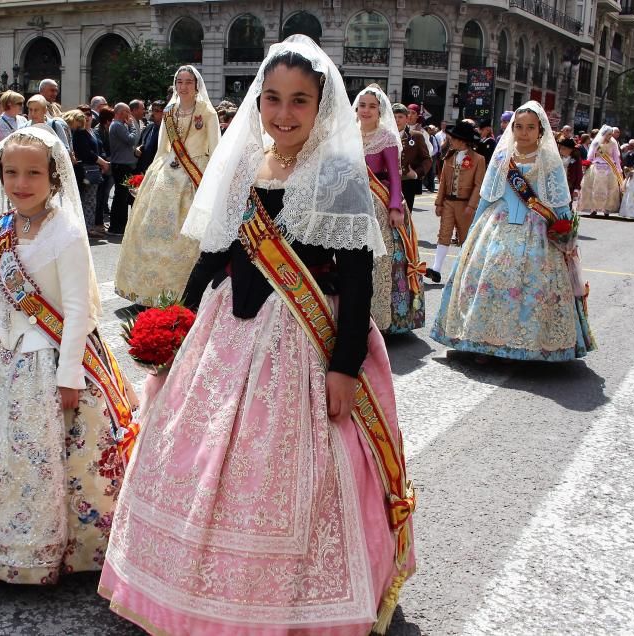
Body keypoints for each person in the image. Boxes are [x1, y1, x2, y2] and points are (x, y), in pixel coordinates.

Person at [100, 35, 415, 635]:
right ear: (257, 102)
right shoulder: (245, 164)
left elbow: (356, 281)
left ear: (322, 105)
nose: (283, 114)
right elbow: (213, 254)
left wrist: (345, 366)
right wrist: (177, 326)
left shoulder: (340, 175)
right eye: (272, 99)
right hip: (228, 329)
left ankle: (290, 600)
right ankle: (181, 585)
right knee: (195, 453)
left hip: (301, 339)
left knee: (296, 474)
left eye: (299, 100)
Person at [0, 126, 130, 584]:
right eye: (11, 173)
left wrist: (68, 376)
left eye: (33, 174)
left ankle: (55, 544)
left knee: (48, 458)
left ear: (55, 177)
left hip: (50, 356)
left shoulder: (65, 233)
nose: (21, 183)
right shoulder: (3, 226)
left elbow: (79, 308)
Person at [430, 102, 596, 362]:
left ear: (540, 130)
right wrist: (472, 231)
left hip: (537, 228)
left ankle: (529, 343)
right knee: (488, 283)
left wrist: (566, 235)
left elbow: (559, 201)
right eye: (519, 126)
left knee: (531, 286)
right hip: (496, 224)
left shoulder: (549, 160)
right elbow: (486, 197)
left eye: (530, 127)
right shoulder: (501, 156)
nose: (524, 132)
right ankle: (481, 342)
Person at [114, 66, 220, 306]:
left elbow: (215, 149)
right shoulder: (170, 112)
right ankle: (147, 289)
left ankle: (184, 290)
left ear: (196, 85)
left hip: (195, 175)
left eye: (188, 82)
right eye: (179, 82)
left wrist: (213, 182)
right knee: (149, 229)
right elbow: (162, 148)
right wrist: (150, 175)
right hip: (167, 173)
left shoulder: (207, 112)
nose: (183, 87)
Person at [355, 83, 425, 333]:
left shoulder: (386, 137)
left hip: (379, 204)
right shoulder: (348, 134)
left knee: (382, 261)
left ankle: (382, 318)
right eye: (362, 105)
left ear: (380, 110)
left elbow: (395, 177)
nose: (366, 110)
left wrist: (395, 207)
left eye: (372, 106)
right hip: (353, 204)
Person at [428, 120, 486, 283]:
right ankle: (436, 269)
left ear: (462, 140)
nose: (451, 140)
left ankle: (466, 270)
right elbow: (443, 182)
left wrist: (472, 205)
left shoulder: (478, 159)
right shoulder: (449, 157)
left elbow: (478, 184)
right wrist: (439, 203)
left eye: (454, 138)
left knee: (464, 237)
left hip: (465, 203)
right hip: (448, 202)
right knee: (444, 233)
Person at [65, 108, 109, 237]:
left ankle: (89, 227)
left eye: (89, 114)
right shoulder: (79, 132)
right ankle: (86, 228)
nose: (87, 117)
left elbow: (98, 148)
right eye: (84, 115)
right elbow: (86, 153)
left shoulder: (89, 131)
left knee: (90, 200)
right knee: (87, 200)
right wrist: (102, 162)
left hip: (92, 169)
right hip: (85, 170)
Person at [578, 124, 623, 217]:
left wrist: (619, 169)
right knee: (593, 188)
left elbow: (616, 157)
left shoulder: (613, 143)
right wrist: (586, 165)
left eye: (611, 134)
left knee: (610, 189)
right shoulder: (596, 143)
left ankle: (607, 209)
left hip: (609, 167)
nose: (610, 136)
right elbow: (590, 156)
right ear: (604, 133)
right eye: (609, 134)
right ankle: (593, 209)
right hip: (596, 166)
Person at [107, 102, 138, 236]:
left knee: (123, 196)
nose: (129, 114)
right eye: (127, 111)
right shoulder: (118, 125)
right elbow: (132, 140)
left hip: (123, 165)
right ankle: (117, 227)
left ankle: (120, 225)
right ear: (120, 112)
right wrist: (132, 126)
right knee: (121, 196)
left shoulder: (119, 125)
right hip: (121, 166)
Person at [396, 103, 432, 212]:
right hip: (386, 181)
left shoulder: (416, 136)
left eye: (400, 117)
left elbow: (427, 159)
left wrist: (416, 173)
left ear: (406, 119)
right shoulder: (384, 135)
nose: (397, 120)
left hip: (406, 182)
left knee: (405, 218)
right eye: (394, 117)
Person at [134, 99, 164, 173]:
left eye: (156, 111)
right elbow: (140, 144)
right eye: (152, 110)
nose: (153, 113)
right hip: (142, 170)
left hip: (156, 171)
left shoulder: (166, 131)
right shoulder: (148, 127)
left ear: (164, 113)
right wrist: (137, 150)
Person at [558, 136, 583, 203]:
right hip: (559, 183)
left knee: (568, 202)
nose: (561, 151)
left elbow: (579, 174)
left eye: (563, 149)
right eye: (560, 148)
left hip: (570, 184)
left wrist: (576, 188)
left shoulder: (575, 159)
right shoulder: (558, 158)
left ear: (570, 150)